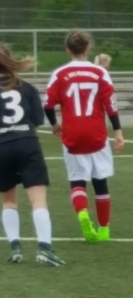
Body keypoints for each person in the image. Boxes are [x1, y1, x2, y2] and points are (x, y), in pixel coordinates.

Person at [45, 30, 125, 243]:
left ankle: (82, 213)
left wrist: (55, 124)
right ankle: (104, 229)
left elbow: (48, 105)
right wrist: (118, 132)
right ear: (89, 48)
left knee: (77, 180)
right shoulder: (100, 73)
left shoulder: (59, 74)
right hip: (97, 134)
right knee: (100, 181)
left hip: (72, 134)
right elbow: (111, 105)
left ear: (67, 50)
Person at [0, 44, 65, 265]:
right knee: (38, 199)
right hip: (27, 143)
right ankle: (44, 249)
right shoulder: (26, 88)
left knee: (9, 199)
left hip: (1, 146)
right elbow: (36, 121)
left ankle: (15, 247)